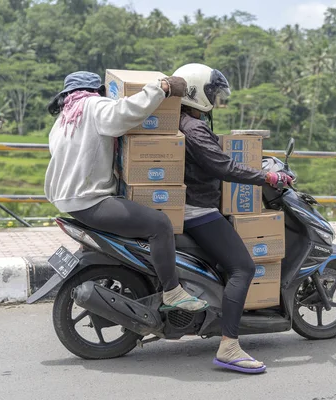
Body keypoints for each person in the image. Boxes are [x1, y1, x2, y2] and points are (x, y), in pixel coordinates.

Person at [44, 71, 207, 312]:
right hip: (90, 201)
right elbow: (124, 113)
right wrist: (161, 87)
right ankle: (172, 291)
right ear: (94, 91)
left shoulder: (64, 120)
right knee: (160, 225)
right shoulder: (92, 106)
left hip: (69, 202)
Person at [173, 63, 293, 374]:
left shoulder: (180, 121)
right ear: (197, 92)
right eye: (212, 92)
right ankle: (229, 346)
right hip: (197, 210)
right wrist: (267, 177)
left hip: (189, 207)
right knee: (243, 267)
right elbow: (224, 168)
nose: (215, 98)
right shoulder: (194, 127)